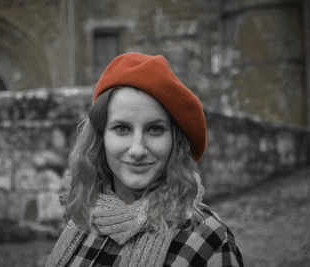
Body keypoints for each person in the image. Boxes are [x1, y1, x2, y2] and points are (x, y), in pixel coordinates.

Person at [46, 53, 243, 266]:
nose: (137, 149)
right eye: (122, 128)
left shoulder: (206, 240)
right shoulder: (83, 220)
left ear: (174, 142)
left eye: (155, 129)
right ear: (101, 137)